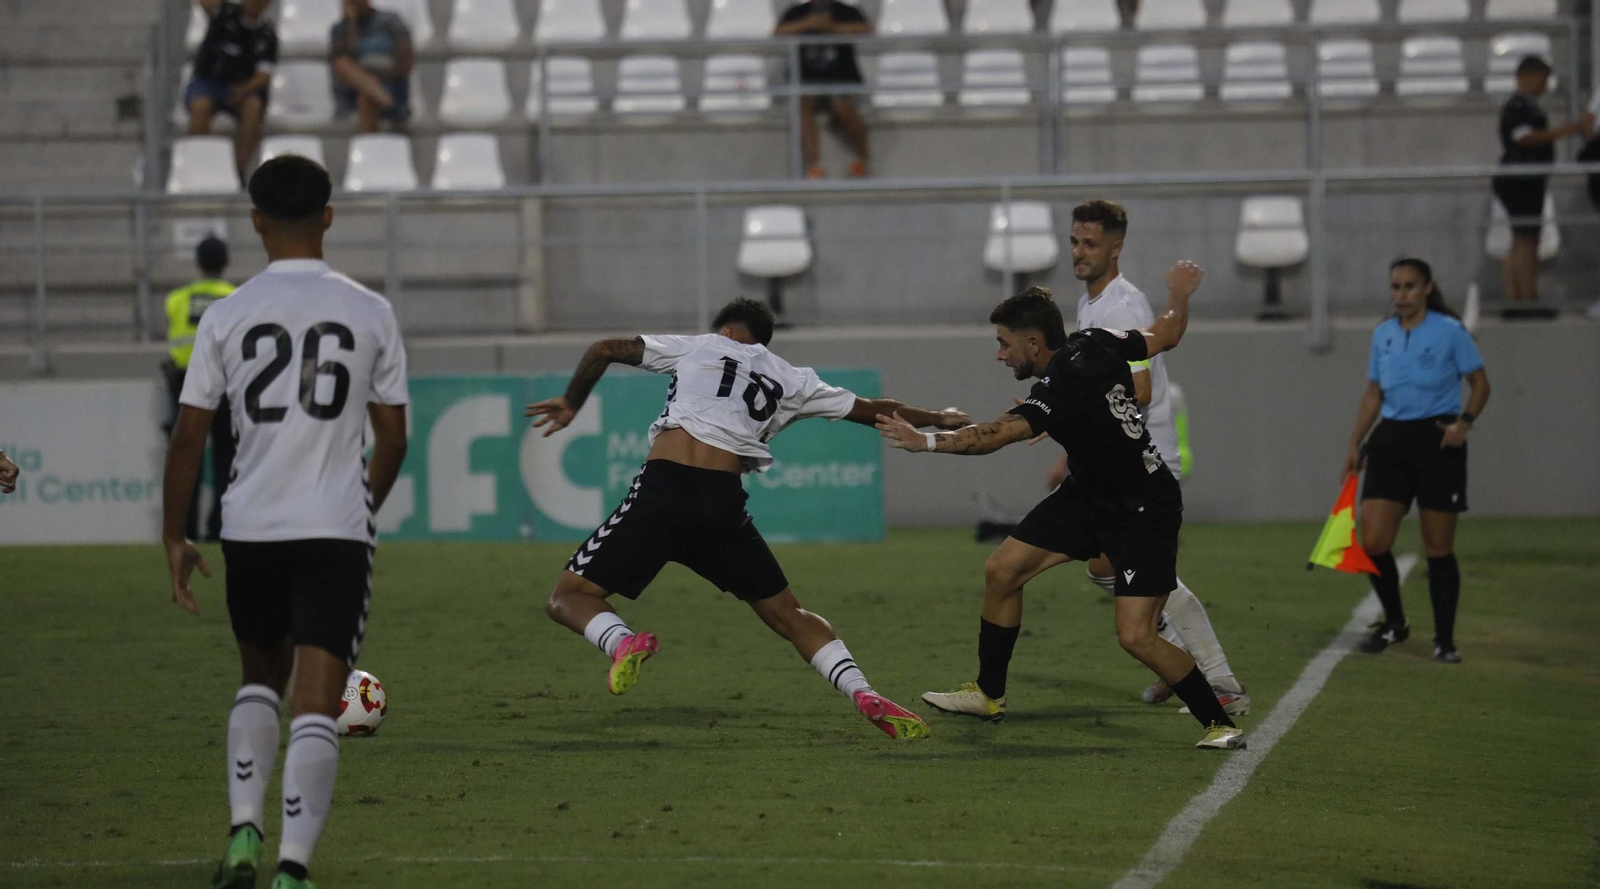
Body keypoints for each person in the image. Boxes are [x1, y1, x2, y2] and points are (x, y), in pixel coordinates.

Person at [525, 298, 967, 740]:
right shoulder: (793, 379)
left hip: (664, 490)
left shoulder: (702, 346)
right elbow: (875, 409)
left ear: (727, 331)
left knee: (568, 596)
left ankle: (622, 642)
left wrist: (570, 402)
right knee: (790, 614)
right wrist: (937, 418)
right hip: (722, 503)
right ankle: (862, 691)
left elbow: (604, 349)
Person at [162, 155, 410, 889]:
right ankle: (293, 870)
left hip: (250, 525)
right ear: (328, 216)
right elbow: (394, 438)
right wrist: (360, 505)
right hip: (333, 526)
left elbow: (188, 437)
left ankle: (244, 830)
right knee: (315, 700)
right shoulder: (370, 310)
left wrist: (174, 536)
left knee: (258, 679)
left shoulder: (226, 314)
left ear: (256, 221)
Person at [878, 274, 1248, 750]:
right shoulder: (1097, 340)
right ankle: (989, 695)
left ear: (1033, 343)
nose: (1000, 354)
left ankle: (1220, 723)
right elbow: (1167, 333)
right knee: (1003, 571)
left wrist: (925, 442)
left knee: (1136, 636)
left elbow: (995, 436)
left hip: (1141, 506)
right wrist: (1179, 293)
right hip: (1087, 494)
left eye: (1004, 343)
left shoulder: (1060, 385)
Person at [1047, 199, 1249, 717]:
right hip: (1116, 460)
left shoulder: (1122, 306)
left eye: (1090, 244)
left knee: (1146, 575)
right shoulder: (1090, 302)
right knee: (1102, 566)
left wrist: (1068, 417)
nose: (1078, 252)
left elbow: (1138, 391)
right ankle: (1177, 663)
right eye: (1074, 241)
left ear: (1116, 248)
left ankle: (1218, 681)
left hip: (1143, 461)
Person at [1343, 258, 1489, 664]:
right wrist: (1355, 442)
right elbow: (1373, 393)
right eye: (1395, 287)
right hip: (1390, 440)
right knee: (1373, 542)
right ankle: (1395, 622)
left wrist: (1464, 423)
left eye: (1409, 286)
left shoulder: (1450, 331)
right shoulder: (1384, 334)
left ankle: (1445, 640)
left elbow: (1480, 384)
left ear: (1427, 288)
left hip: (1436, 442)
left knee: (1438, 548)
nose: (1401, 295)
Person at [1492, 56, 1582, 320]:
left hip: (1527, 180)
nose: (1544, 86)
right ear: (1528, 77)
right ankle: (1525, 299)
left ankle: (1518, 298)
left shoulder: (1526, 106)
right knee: (1525, 240)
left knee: (1523, 239)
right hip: (1521, 180)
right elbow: (1523, 137)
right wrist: (1562, 132)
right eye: (1542, 80)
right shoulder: (1519, 106)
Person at [164, 236, 238, 541]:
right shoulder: (236, 297)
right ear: (226, 262)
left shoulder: (177, 299)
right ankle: (218, 527)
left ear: (197, 262)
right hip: (225, 383)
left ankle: (186, 529)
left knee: (186, 453)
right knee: (226, 457)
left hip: (186, 382)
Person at [774, 0, 872, 179]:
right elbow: (778, 33)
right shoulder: (798, 12)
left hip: (841, 79)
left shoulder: (845, 11)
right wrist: (807, 24)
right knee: (803, 106)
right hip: (807, 79)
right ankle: (815, 165)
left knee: (842, 107)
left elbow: (865, 29)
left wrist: (833, 28)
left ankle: (862, 157)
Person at [186, 0, 279, 180]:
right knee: (201, 106)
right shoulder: (224, 13)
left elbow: (264, 74)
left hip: (240, 88)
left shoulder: (267, 35)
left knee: (253, 108)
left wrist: (244, 89)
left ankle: (238, 172)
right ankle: (197, 164)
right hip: (208, 82)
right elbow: (204, 4)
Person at [329, 0, 414, 133]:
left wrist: (379, 78)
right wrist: (351, 26)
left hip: (390, 83)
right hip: (354, 90)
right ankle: (387, 102)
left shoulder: (391, 20)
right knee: (342, 63)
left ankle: (381, 97)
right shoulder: (340, 29)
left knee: (367, 98)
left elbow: (406, 59)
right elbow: (341, 63)